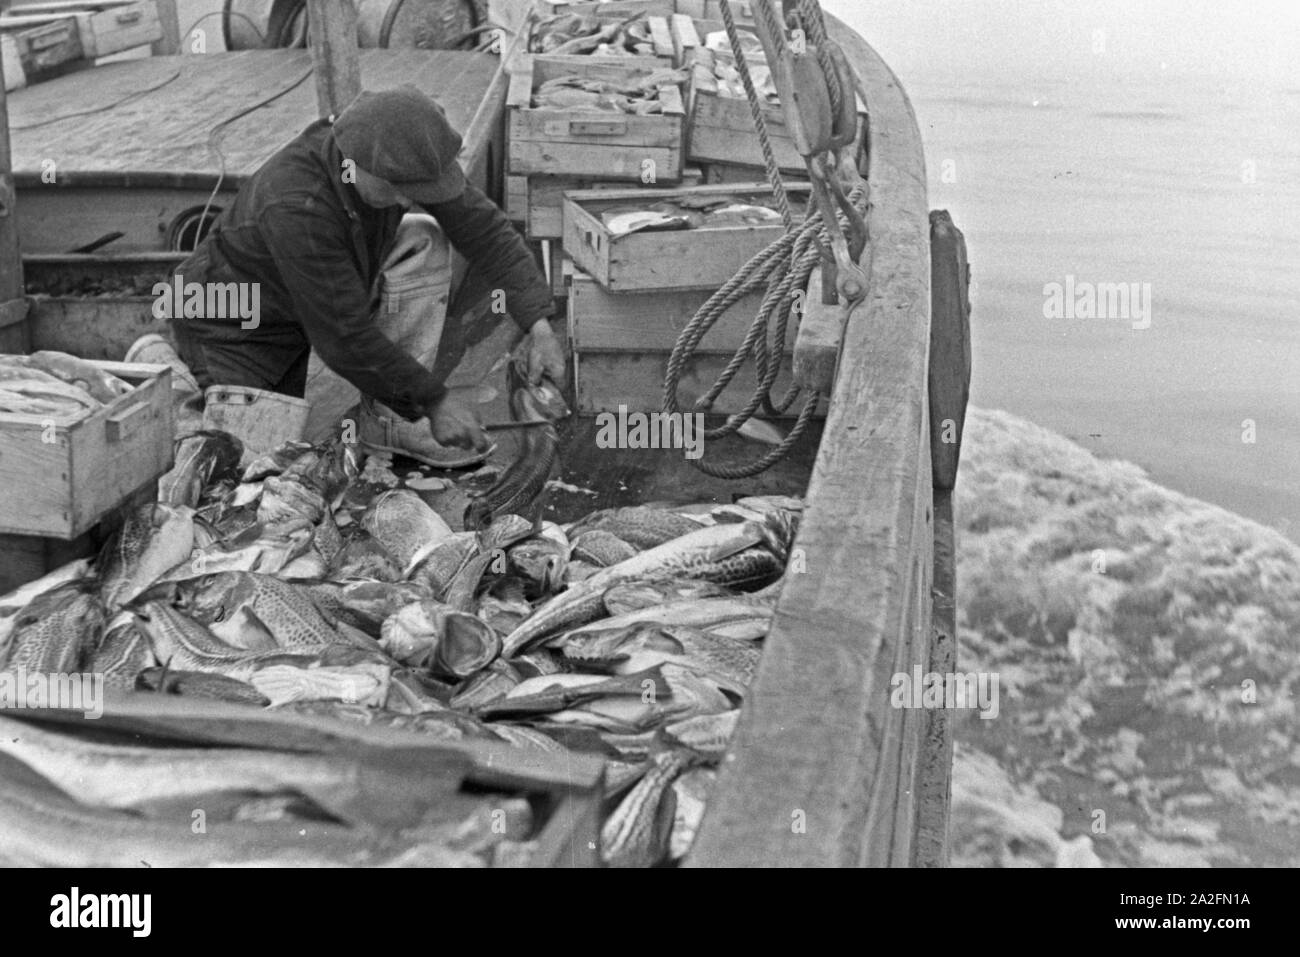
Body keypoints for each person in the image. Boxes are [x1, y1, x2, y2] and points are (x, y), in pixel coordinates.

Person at [165, 85, 564, 464]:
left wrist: (539, 324)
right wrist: (435, 399)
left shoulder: (393, 155)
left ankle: (388, 419)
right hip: (231, 325)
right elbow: (343, 335)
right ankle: (164, 370)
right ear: (358, 165)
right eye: (401, 188)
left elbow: (486, 231)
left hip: (313, 300)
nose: (410, 199)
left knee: (423, 236)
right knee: (248, 466)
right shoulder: (296, 205)